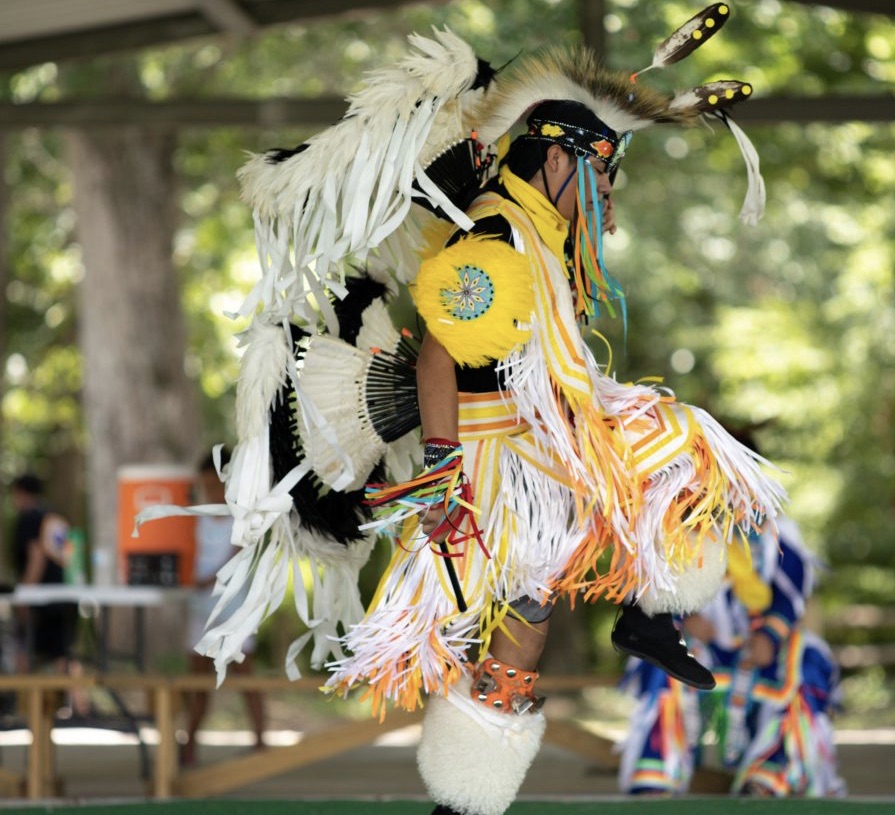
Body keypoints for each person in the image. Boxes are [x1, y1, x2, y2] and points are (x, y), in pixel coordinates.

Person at [202, 9, 783, 815]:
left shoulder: (540, 239)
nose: (607, 195)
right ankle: (480, 782)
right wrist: (441, 470)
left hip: (535, 450)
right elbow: (440, 353)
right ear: (555, 160)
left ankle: (611, 653)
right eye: (599, 176)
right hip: (487, 460)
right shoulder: (496, 238)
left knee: (583, 555)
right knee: (660, 456)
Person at [617, 512, 846, 797]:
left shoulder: (773, 532)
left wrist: (770, 636)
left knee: (805, 663)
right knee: (662, 663)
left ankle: (773, 778)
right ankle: (658, 776)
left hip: (761, 644)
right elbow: (655, 585)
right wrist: (684, 618)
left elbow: (792, 591)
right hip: (701, 643)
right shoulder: (677, 525)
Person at [181, 449, 266, 767]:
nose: (211, 490)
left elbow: (236, 556)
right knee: (197, 682)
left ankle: (260, 742)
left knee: (246, 678)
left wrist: (207, 580)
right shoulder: (196, 517)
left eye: (216, 484)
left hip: (235, 609)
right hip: (200, 610)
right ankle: (188, 746)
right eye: (206, 484)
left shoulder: (243, 517)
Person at [8, 473, 88, 715]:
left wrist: (25, 595)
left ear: (20, 493)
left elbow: (36, 556)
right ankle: (82, 706)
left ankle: (23, 709)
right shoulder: (55, 516)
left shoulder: (30, 518)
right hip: (66, 594)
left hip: (43, 599)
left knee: (28, 652)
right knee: (62, 654)